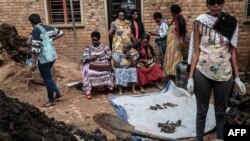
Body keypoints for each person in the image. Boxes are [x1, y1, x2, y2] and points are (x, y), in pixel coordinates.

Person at [186, 0, 246, 140]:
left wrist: (237, 77)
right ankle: (199, 138)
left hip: (224, 72)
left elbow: (233, 51)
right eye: (212, 3)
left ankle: (220, 138)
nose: (216, 6)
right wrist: (190, 76)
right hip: (202, 71)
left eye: (219, 2)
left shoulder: (231, 23)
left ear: (223, 4)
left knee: (221, 112)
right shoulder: (200, 21)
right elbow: (195, 51)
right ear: (207, 5)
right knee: (202, 111)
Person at [28, 13, 64, 107]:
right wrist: (50, 40)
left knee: (47, 79)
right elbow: (61, 33)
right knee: (47, 78)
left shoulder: (36, 30)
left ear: (31, 22)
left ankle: (51, 100)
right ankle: (57, 92)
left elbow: (36, 49)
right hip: (52, 56)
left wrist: (33, 63)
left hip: (44, 58)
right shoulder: (48, 27)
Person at [81, 31, 114, 99]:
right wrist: (91, 58)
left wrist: (109, 66)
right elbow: (84, 58)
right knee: (89, 73)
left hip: (102, 65)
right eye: (93, 40)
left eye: (95, 40)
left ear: (99, 39)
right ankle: (88, 91)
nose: (94, 41)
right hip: (92, 65)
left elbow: (110, 57)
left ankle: (109, 90)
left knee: (107, 73)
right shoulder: (88, 47)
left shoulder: (104, 47)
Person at [163, 4, 186, 82]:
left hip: (175, 43)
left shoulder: (178, 18)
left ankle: (175, 76)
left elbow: (182, 26)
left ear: (173, 12)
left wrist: (179, 35)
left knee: (174, 58)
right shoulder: (176, 18)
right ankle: (172, 76)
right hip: (172, 43)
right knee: (172, 58)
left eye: (171, 12)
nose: (170, 13)